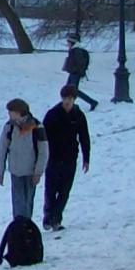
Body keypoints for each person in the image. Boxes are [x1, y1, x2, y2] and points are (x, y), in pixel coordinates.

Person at [41, 83, 91, 231]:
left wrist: (86, 157)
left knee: (64, 190)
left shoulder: (78, 115)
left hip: (70, 158)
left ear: (74, 99)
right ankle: (48, 215)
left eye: (70, 98)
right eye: (65, 98)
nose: (67, 101)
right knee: (51, 189)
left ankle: (56, 218)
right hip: (53, 158)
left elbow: (84, 137)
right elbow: (43, 137)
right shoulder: (52, 114)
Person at [0, 98, 48, 221]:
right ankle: (19, 226)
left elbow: (43, 152)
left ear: (19, 112)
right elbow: (2, 148)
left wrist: (38, 172)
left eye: (11, 112)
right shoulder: (9, 127)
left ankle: (26, 226)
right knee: (18, 203)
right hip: (15, 172)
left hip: (30, 172)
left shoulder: (37, 126)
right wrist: (0, 171)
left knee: (27, 202)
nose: (9, 114)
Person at [61, 34, 99, 110]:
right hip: (73, 73)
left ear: (72, 42)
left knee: (73, 91)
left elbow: (79, 63)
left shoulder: (76, 51)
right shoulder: (73, 50)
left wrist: (77, 71)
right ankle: (68, 105)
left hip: (75, 74)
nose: (67, 44)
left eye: (68, 42)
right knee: (69, 89)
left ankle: (92, 102)